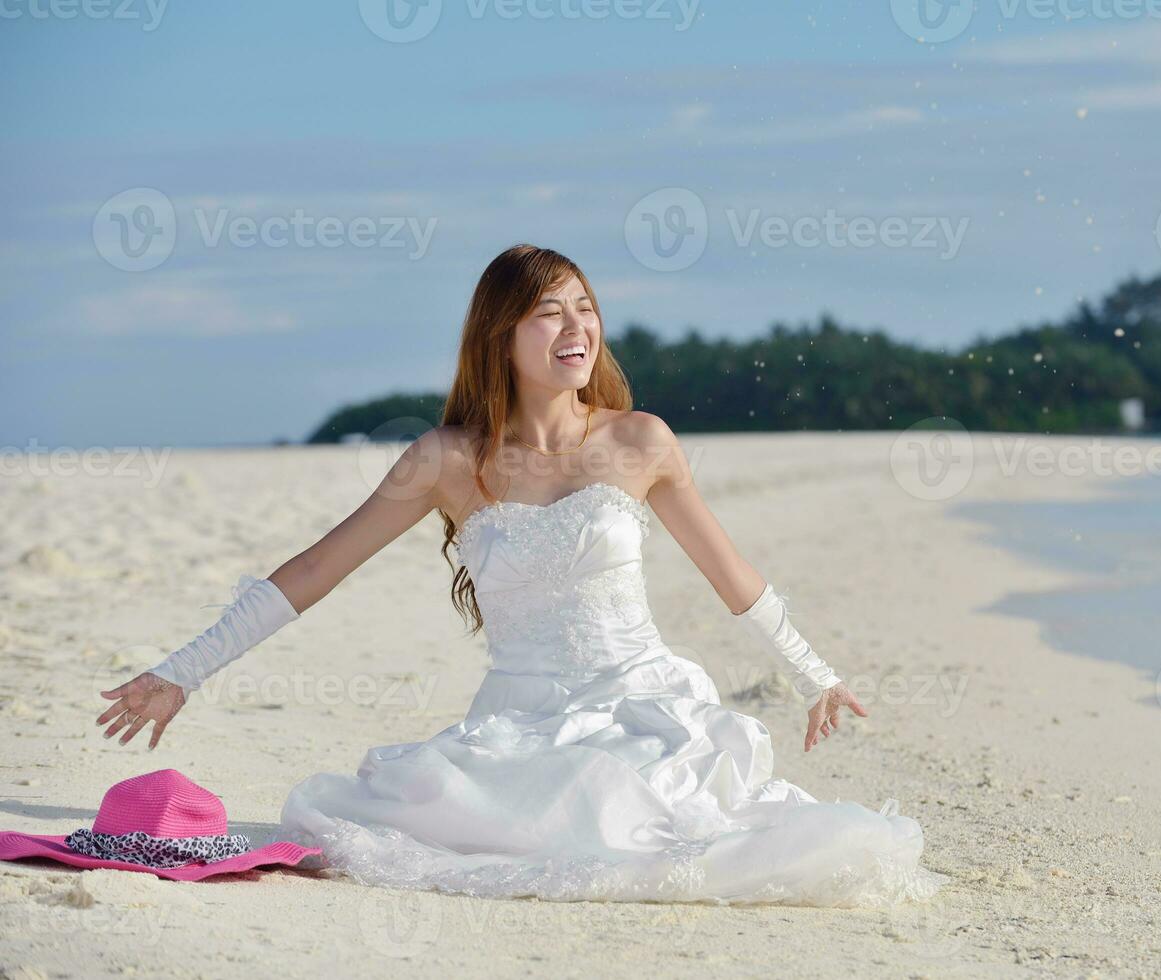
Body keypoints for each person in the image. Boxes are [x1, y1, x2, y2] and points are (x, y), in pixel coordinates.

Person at [95, 244, 944, 906]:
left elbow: (733, 577)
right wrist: (180, 674)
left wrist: (816, 675)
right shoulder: (445, 461)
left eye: (586, 308)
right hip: (517, 720)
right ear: (499, 335)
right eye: (549, 314)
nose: (577, 328)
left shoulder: (639, 440)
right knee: (473, 815)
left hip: (643, 708)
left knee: (639, 812)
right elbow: (317, 568)